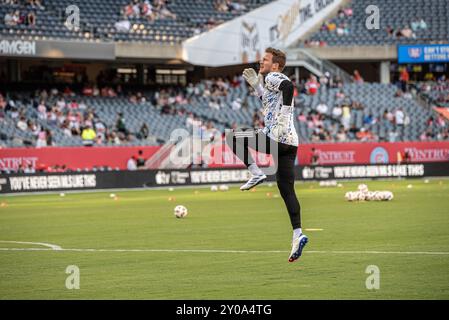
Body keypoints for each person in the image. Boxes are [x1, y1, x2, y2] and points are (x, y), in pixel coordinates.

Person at [226, 47, 308, 263]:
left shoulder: (273, 76)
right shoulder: (270, 81)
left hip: (276, 137)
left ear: (275, 65)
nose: (261, 62)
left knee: (232, 136)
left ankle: (256, 173)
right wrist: (257, 87)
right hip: (290, 143)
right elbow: (271, 101)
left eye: (265, 59)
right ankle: (297, 234)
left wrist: (283, 118)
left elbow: (289, 87)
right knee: (286, 190)